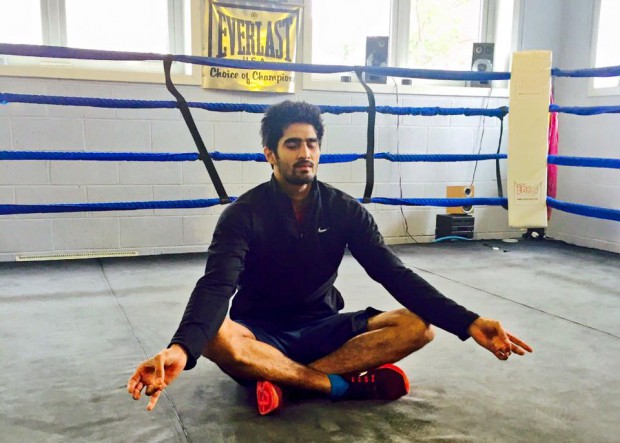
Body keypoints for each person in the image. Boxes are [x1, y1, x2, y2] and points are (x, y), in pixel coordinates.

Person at [127, 101, 532, 415]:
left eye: (311, 143)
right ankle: (339, 386)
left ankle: (285, 381)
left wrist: (469, 321)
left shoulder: (345, 210)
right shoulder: (243, 215)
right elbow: (217, 285)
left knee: (418, 327)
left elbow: (393, 274)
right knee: (216, 337)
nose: (305, 152)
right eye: (292, 144)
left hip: (323, 325)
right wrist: (180, 349)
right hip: (260, 333)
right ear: (270, 153)